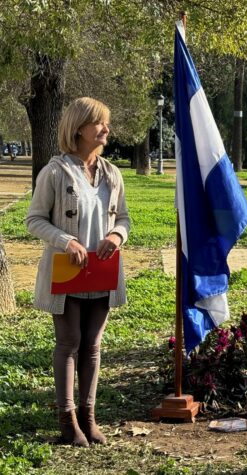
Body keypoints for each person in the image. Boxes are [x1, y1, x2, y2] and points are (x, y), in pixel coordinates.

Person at [26, 97, 130, 447]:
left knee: (93, 345)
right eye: (99, 123)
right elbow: (34, 219)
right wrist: (65, 240)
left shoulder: (111, 174)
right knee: (69, 342)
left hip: (101, 272)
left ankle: (89, 416)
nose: (106, 129)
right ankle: (68, 421)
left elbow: (124, 218)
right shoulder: (54, 172)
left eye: (106, 123)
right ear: (79, 128)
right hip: (66, 273)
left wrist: (117, 235)